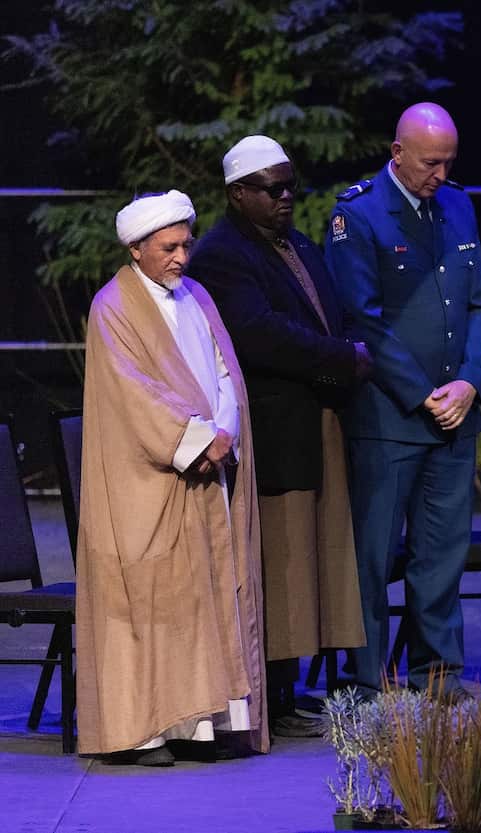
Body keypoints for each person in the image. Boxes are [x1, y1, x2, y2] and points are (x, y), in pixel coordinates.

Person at [76, 191, 269, 765]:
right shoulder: (112, 307)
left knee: (202, 596)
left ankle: (201, 726)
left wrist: (224, 428)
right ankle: (146, 730)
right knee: (149, 597)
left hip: (205, 466)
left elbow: (221, 370)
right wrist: (195, 437)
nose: (182, 256)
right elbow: (132, 394)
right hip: (146, 479)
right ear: (136, 250)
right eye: (169, 247)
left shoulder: (197, 297)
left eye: (186, 244)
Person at [187, 135, 370, 737]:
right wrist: (341, 357)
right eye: (273, 188)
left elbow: (320, 315)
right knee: (282, 558)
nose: (287, 196)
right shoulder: (222, 254)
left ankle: (291, 688)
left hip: (313, 420)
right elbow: (259, 332)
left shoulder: (295, 245)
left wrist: (339, 357)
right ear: (239, 193)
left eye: (291, 184)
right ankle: (273, 691)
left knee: (312, 554)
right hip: (273, 430)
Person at [324, 103, 481, 705]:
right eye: (429, 162)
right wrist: (422, 393)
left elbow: (480, 304)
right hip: (390, 417)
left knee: (442, 553)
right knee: (373, 554)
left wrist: (471, 381)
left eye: (449, 161)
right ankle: (366, 679)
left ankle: (437, 673)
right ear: (398, 153)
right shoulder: (360, 215)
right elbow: (361, 320)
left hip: (455, 413)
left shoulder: (457, 204)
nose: (440, 174)